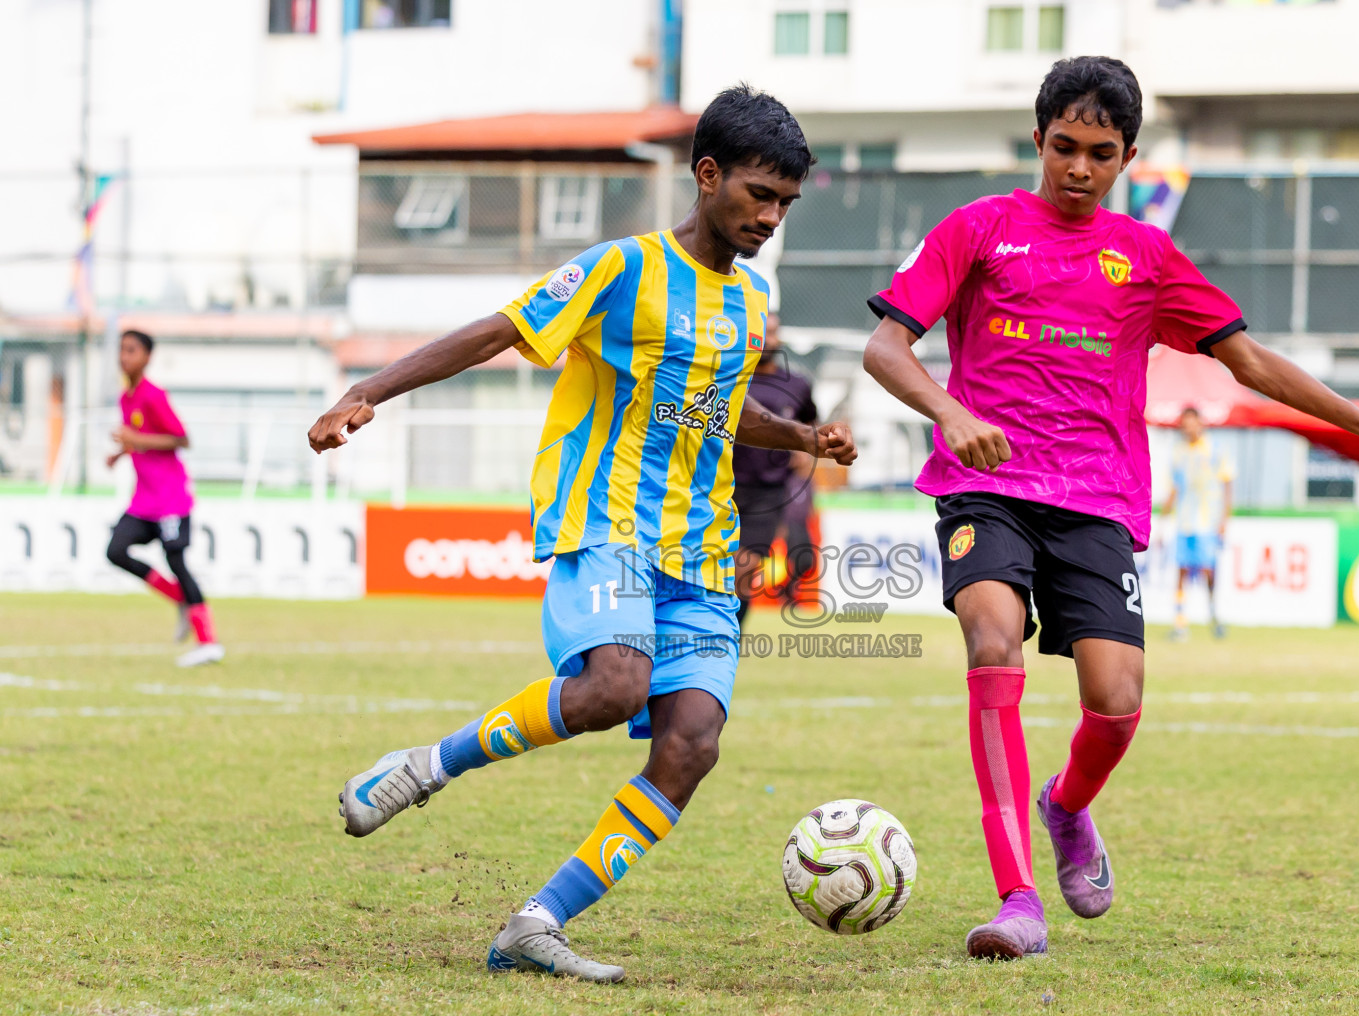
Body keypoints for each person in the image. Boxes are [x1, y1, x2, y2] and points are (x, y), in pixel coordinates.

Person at [861, 56, 1359, 960]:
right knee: (990, 637)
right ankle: (1018, 898)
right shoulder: (977, 231)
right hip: (985, 484)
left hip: (1096, 500)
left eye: (1100, 154)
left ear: (1128, 157)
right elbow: (885, 348)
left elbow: (1251, 363)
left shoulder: (1145, 257)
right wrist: (954, 413)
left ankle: (1066, 807)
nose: (1078, 169)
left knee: (1117, 700)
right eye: (1064, 147)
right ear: (1038, 140)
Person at [307, 85, 856, 983]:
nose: (770, 217)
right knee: (612, 685)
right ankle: (424, 766)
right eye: (759, 195)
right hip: (606, 523)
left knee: (692, 745)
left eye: (786, 204)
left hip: (704, 550)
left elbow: (716, 408)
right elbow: (497, 330)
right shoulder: (621, 269)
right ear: (707, 174)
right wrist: (367, 390)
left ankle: (538, 922)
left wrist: (801, 434)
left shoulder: (747, 301)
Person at [104, 329, 224, 668]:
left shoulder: (154, 395)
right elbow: (139, 439)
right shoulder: (126, 398)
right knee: (115, 551)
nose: (123, 356)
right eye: (121, 349)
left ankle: (208, 642)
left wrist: (134, 438)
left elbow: (181, 439)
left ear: (146, 356)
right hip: (143, 502)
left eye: (131, 350)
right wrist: (121, 452)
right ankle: (179, 598)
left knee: (176, 561)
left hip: (171, 498)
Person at [732, 311, 819, 624]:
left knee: (742, 570)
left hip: (767, 494)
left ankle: (728, 643)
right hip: (719, 487)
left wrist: (806, 449)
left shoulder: (796, 384)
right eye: (763, 333)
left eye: (774, 332)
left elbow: (809, 420)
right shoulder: (730, 378)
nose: (770, 339)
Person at [1163, 406, 1233, 640]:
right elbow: (1174, 486)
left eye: (1191, 423)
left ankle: (1214, 615)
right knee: (1181, 570)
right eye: (1184, 424)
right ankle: (1180, 623)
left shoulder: (1214, 448)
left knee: (1207, 571)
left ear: (1200, 424)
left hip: (1207, 521)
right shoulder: (1178, 451)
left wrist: (1224, 518)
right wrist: (1163, 518)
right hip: (1184, 521)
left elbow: (1227, 484)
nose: (1188, 428)